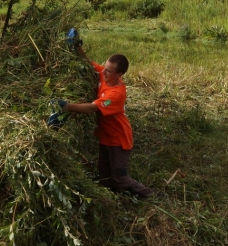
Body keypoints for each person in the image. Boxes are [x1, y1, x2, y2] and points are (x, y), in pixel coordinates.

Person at [52, 47, 154, 198]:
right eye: (104, 68)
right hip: (105, 136)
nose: (103, 72)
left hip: (118, 139)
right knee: (105, 178)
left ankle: (150, 195)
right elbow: (87, 63)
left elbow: (93, 107)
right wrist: (75, 46)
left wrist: (67, 107)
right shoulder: (104, 75)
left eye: (108, 71)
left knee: (119, 180)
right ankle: (112, 200)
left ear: (119, 74)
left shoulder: (116, 94)